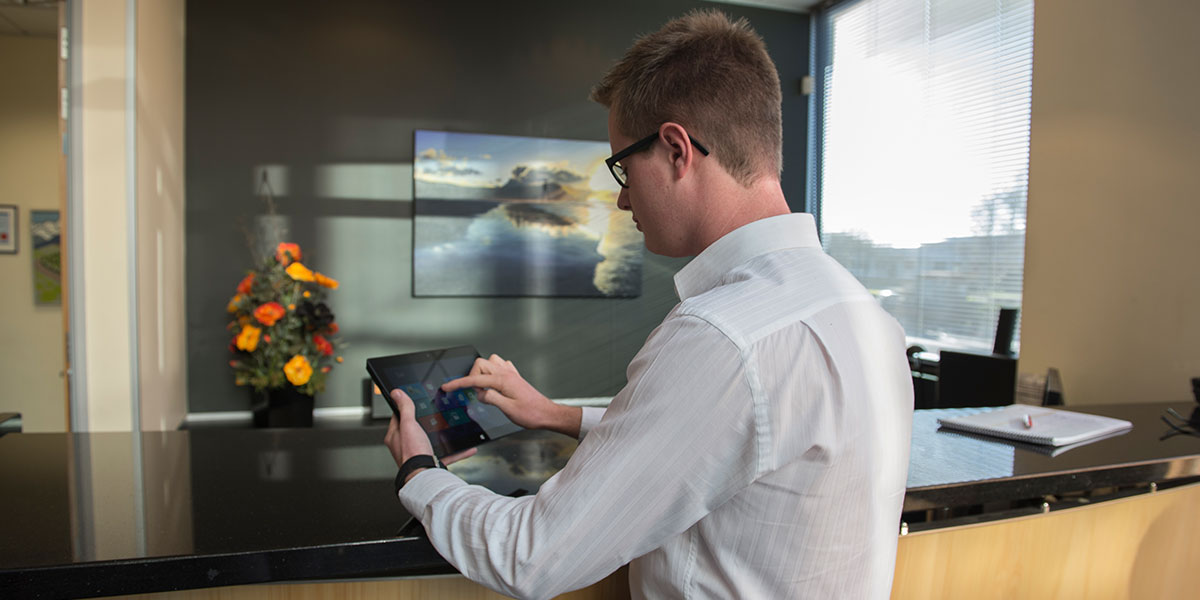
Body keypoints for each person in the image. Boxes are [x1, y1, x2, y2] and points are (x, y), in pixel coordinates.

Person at [384, 9, 913, 599]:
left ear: (676, 150)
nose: (618, 199)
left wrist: (419, 471)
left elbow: (531, 555)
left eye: (622, 166)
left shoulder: (722, 337)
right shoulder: (866, 316)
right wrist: (556, 414)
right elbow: (728, 444)